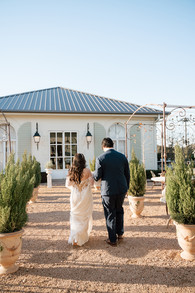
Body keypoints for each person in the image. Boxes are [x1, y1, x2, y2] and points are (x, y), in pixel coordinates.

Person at [93, 137, 130, 246]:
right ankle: (120, 234)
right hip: (121, 189)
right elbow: (127, 174)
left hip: (108, 190)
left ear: (103, 146)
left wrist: (92, 174)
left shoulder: (100, 158)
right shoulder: (122, 157)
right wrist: (127, 187)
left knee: (110, 213)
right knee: (119, 210)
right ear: (112, 145)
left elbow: (97, 176)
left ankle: (112, 239)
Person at [66, 153, 94, 246]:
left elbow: (68, 185)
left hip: (75, 196)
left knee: (75, 216)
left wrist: (76, 186)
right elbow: (92, 183)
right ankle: (81, 236)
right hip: (85, 196)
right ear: (83, 161)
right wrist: (85, 184)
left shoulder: (71, 171)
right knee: (85, 216)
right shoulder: (87, 171)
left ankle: (75, 237)